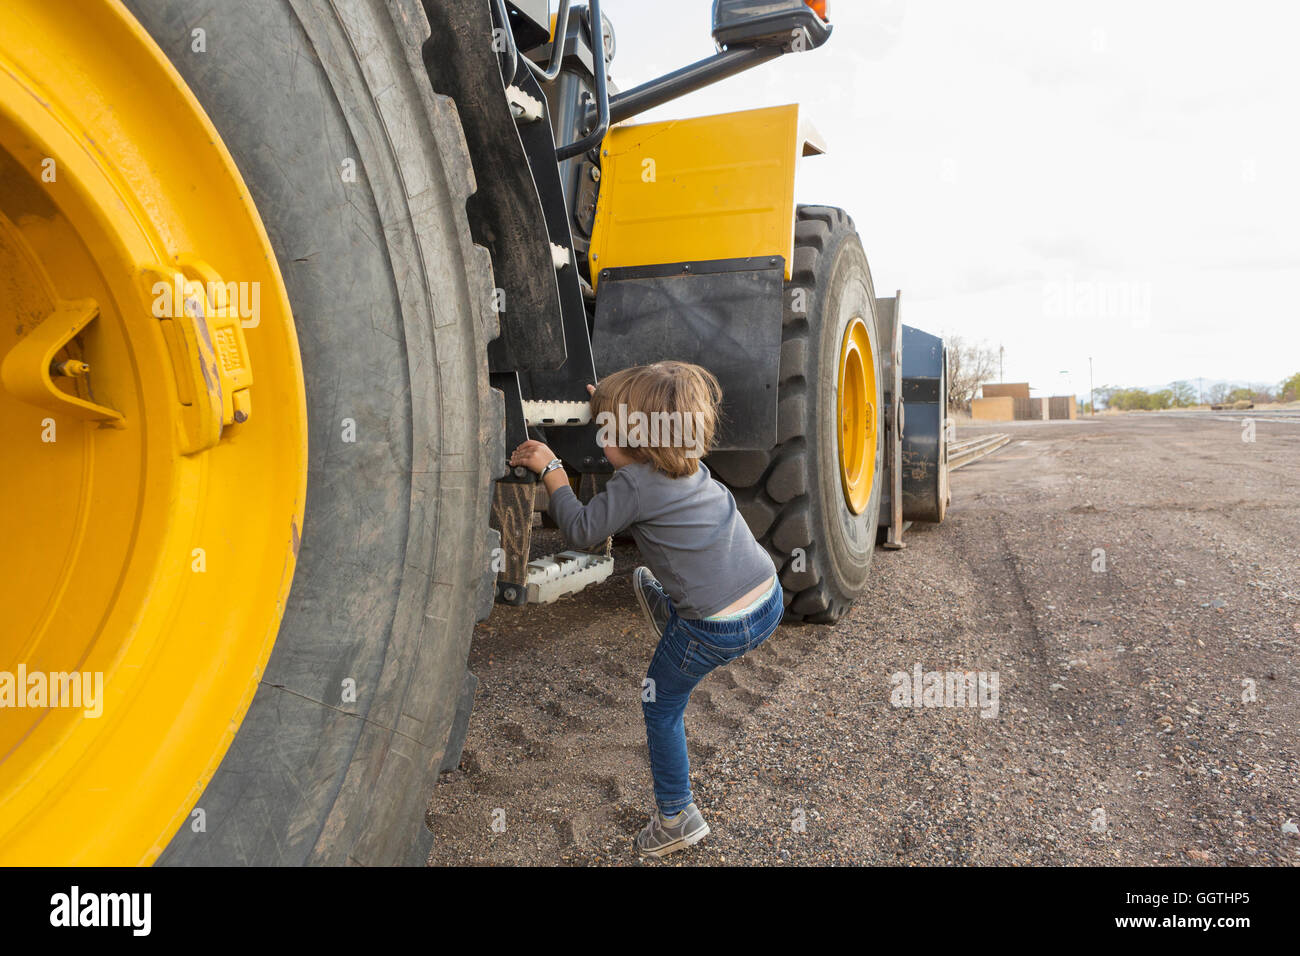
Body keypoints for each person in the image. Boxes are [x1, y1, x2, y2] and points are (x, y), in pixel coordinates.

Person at [509, 361, 782, 858]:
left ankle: (677, 817)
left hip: (713, 628)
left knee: (660, 704)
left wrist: (551, 469)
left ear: (633, 441)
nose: (600, 440)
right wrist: (613, 405)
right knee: (669, 577)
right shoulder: (688, 457)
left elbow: (580, 530)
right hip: (767, 599)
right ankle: (673, 620)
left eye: (605, 431)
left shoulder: (633, 485)